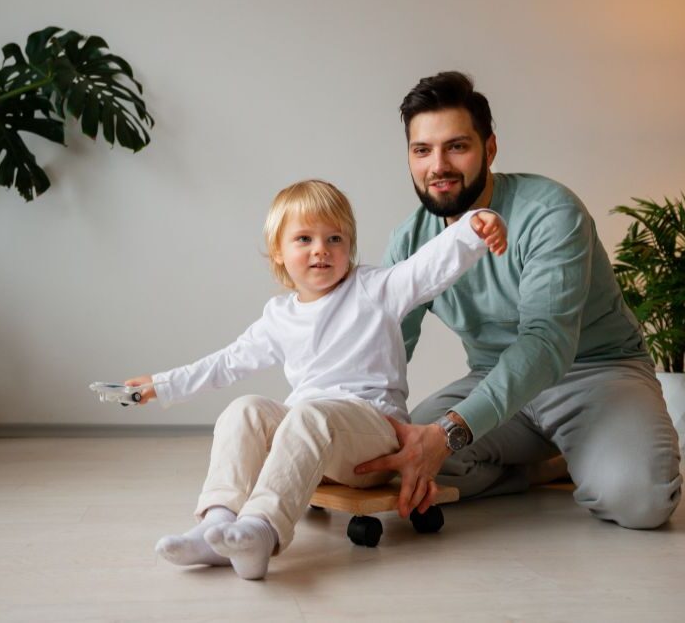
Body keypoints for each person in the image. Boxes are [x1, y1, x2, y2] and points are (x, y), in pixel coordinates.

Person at [125, 179, 507, 579]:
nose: (321, 249)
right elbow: (227, 362)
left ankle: (262, 529)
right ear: (279, 252)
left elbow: (430, 265)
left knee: (309, 414)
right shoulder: (279, 315)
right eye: (304, 238)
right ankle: (215, 524)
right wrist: (161, 384)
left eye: (334, 238)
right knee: (245, 410)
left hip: (373, 434)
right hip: (308, 434)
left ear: (350, 247)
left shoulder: (376, 289)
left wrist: (476, 225)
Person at [354, 71, 682, 529]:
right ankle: (542, 467)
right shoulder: (409, 239)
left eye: (457, 146)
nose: (438, 166)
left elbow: (546, 343)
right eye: (422, 150)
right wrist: (331, 424)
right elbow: (383, 347)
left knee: (639, 503)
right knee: (391, 464)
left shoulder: (550, 211)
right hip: (494, 384)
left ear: (489, 149)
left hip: (595, 374)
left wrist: (448, 433)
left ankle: (589, 449)